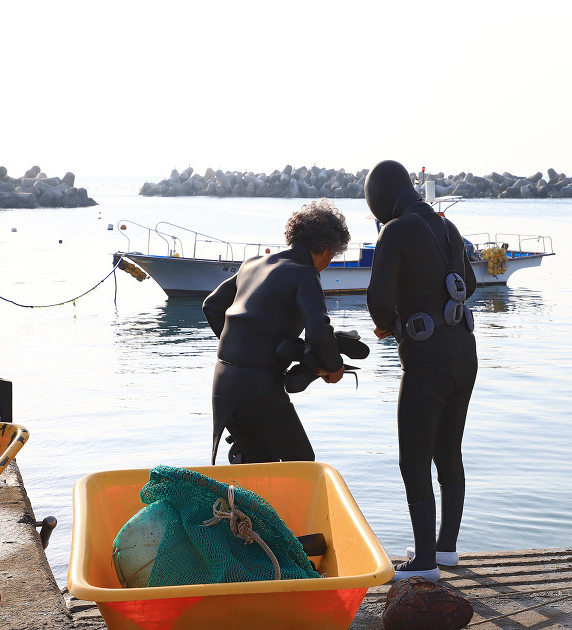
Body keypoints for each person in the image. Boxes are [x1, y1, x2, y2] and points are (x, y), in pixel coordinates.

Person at [365, 160, 478, 582]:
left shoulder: (394, 231)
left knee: (413, 461)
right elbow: (470, 282)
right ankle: (445, 548)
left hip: (427, 362)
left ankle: (424, 562)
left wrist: (389, 322)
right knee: (448, 453)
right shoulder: (448, 228)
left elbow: (376, 298)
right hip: (465, 356)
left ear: (381, 197)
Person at [203, 198, 350, 465]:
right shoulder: (305, 274)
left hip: (223, 382)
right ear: (327, 249)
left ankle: (242, 507)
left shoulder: (253, 264)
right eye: (332, 255)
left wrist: (241, 348)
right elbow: (319, 332)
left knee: (259, 463)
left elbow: (212, 306)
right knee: (302, 464)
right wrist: (335, 366)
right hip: (259, 386)